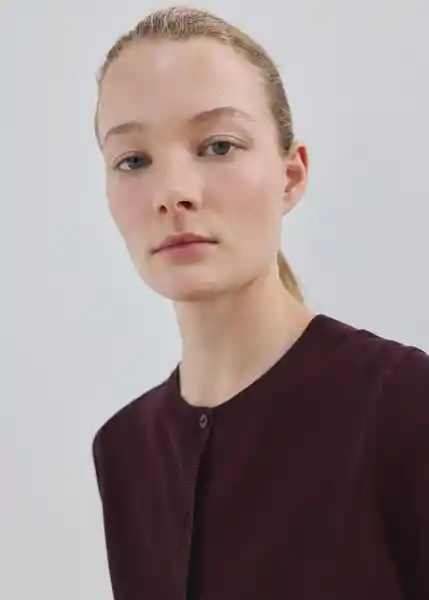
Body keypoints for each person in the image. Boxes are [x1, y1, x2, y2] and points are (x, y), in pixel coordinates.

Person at [92, 6, 429, 600]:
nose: (172, 193)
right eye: (133, 160)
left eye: (218, 146)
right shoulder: (124, 450)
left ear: (291, 176)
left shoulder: (405, 406)